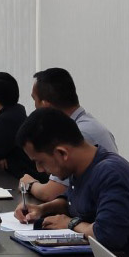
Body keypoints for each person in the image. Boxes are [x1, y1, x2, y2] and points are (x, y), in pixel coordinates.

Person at [13, 108, 129, 257]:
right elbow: (74, 202)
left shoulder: (111, 173)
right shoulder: (81, 167)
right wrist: (42, 209)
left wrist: (70, 223)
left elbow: (107, 236)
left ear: (62, 153)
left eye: (40, 161)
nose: (39, 169)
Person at [19, 68, 118, 201]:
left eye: (34, 100)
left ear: (46, 106)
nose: (35, 107)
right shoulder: (87, 124)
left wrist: (29, 184)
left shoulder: (81, 133)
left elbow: (51, 193)